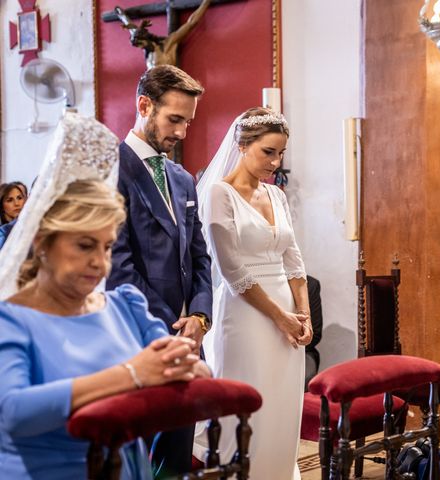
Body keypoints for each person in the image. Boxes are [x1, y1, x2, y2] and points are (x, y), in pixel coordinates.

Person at [0, 113, 209, 479]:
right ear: (41, 242)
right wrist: (132, 374)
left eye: (108, 246)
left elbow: (184, 368)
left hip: (127, 467)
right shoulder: (12, 318)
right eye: (84, 246)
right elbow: (15, 410)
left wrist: (188, 365)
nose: (99, 263)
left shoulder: (125, 305)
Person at [193, 107, 312, 479]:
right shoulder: (219, 194)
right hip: (245, 313)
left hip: (289, 314)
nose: (275, 162)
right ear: (242, 145)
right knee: (249, 405)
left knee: (282, 405)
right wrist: (280, 316)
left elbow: (294, 260)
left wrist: (304, 316)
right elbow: (232, 270)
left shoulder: (276, 196)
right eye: (268, 152)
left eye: (280, 154)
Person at [106, 64, 212, 476]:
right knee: (138, 459)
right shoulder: (111, 170)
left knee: (176, 455)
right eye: (174, 119)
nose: (182, 132)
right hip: (138, 333)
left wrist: (200, 317)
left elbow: (200, 257)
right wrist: (172, 325)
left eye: (188, 121)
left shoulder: (182, 178)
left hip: (188, 337)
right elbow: (117, 266)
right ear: (144, 106)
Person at [114, 1, 211, 69]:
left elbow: (191, 23)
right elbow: (134, 30)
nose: (140, 48)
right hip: (152, 92)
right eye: (138, 45)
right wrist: (123, 17)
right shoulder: (147, 50)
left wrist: (206, 2)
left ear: (147, 39)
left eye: (140, 44)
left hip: (168, 90)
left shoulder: (168, 44)